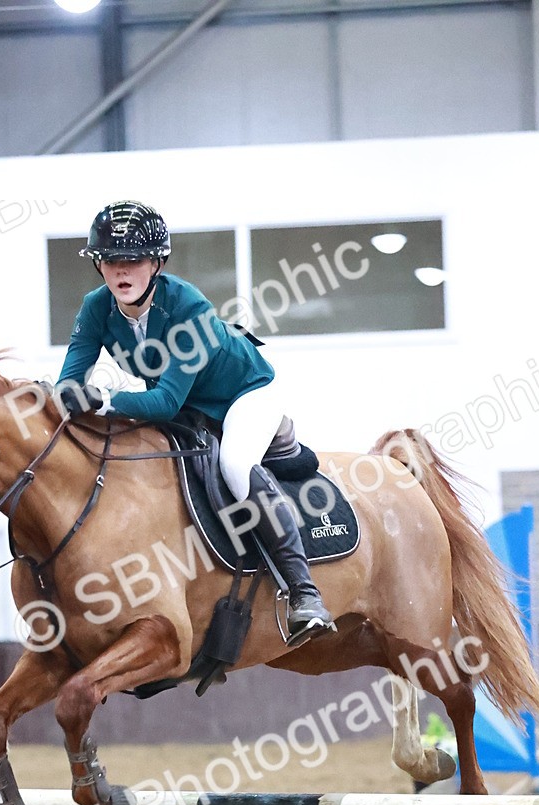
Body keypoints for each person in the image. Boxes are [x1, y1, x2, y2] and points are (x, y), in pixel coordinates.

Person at [55, 199, 334, 640]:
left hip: (244, 393)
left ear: (156, 263)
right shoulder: (96, 307)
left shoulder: (189, 306)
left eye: (134, 260)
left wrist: (103, 399)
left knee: (235, 465)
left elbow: (164, 402)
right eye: (109, 260)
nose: (121, 270)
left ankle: (305, 594)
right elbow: (68, 385)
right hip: (189, 404)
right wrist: (64, 398)